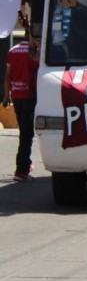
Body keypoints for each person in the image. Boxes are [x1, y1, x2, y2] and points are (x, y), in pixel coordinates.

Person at [2, 36, 39, 181]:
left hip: (16, 96)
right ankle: (21, 170)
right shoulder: (34, 53)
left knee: (23, 131)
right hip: (29, 96)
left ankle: (26, 164)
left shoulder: (12, 50)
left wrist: (6, 96)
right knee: (26, 134)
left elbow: (7, 76)